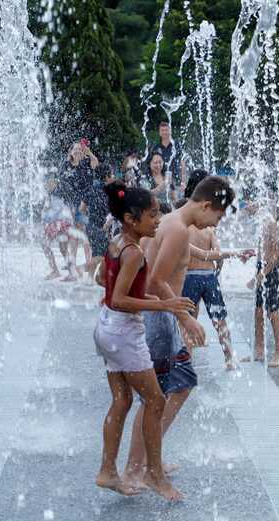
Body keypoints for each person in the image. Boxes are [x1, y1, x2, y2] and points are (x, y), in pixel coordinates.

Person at [121, 176, 234, 487]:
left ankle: (147, 460)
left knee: (177, 388)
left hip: (163, 318)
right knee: (155, 396)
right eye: (219, 216)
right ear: (207, 206)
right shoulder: (176, 229)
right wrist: (187, 319)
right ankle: (136, 468)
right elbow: (156, 279)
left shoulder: (173, 225)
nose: (217, 222)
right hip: (161, 319)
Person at [93, 181, 193, 500]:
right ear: (131, 220)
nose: (158, 220)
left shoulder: (116, 243)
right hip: (124, 331)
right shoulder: (134, 252)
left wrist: (141, 296)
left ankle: (108, 471)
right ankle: (155, 475)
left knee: (122, 400)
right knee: (156, 401)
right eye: (151, 215)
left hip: (106, 328)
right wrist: (162, 304)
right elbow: (121, 299)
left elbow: (101, 280)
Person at [183, 224, 254, 370]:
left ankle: (186, 362)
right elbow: (218, 254)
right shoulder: (209, 231)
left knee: (186, 321)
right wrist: (218, 271)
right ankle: (229, 359)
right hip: (209, 277)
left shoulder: (183, 229)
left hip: (190, 277)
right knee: (220, 321)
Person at [249, 199, 279, 367]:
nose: (249, 205)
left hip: (271, 271)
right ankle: (259, 350)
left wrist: (260, 276)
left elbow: (274, 256)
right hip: (262, 268)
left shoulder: (271, 224)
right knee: (257, 311)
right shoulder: (262, 223)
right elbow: (261, 252)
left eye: (253, 203)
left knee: (273, 312)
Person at [57, 140, 98, 281]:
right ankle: (73, 267)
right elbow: (62, 184)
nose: (77, 152)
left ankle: (90, 265)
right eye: (75, 150)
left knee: (85, 235)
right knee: (73, 235)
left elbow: (95, 164)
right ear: (70, 152)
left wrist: (89, 152)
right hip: (70, 204)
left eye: (79, 150)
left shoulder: (86, 163)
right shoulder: (65, 165)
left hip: (85, 203)